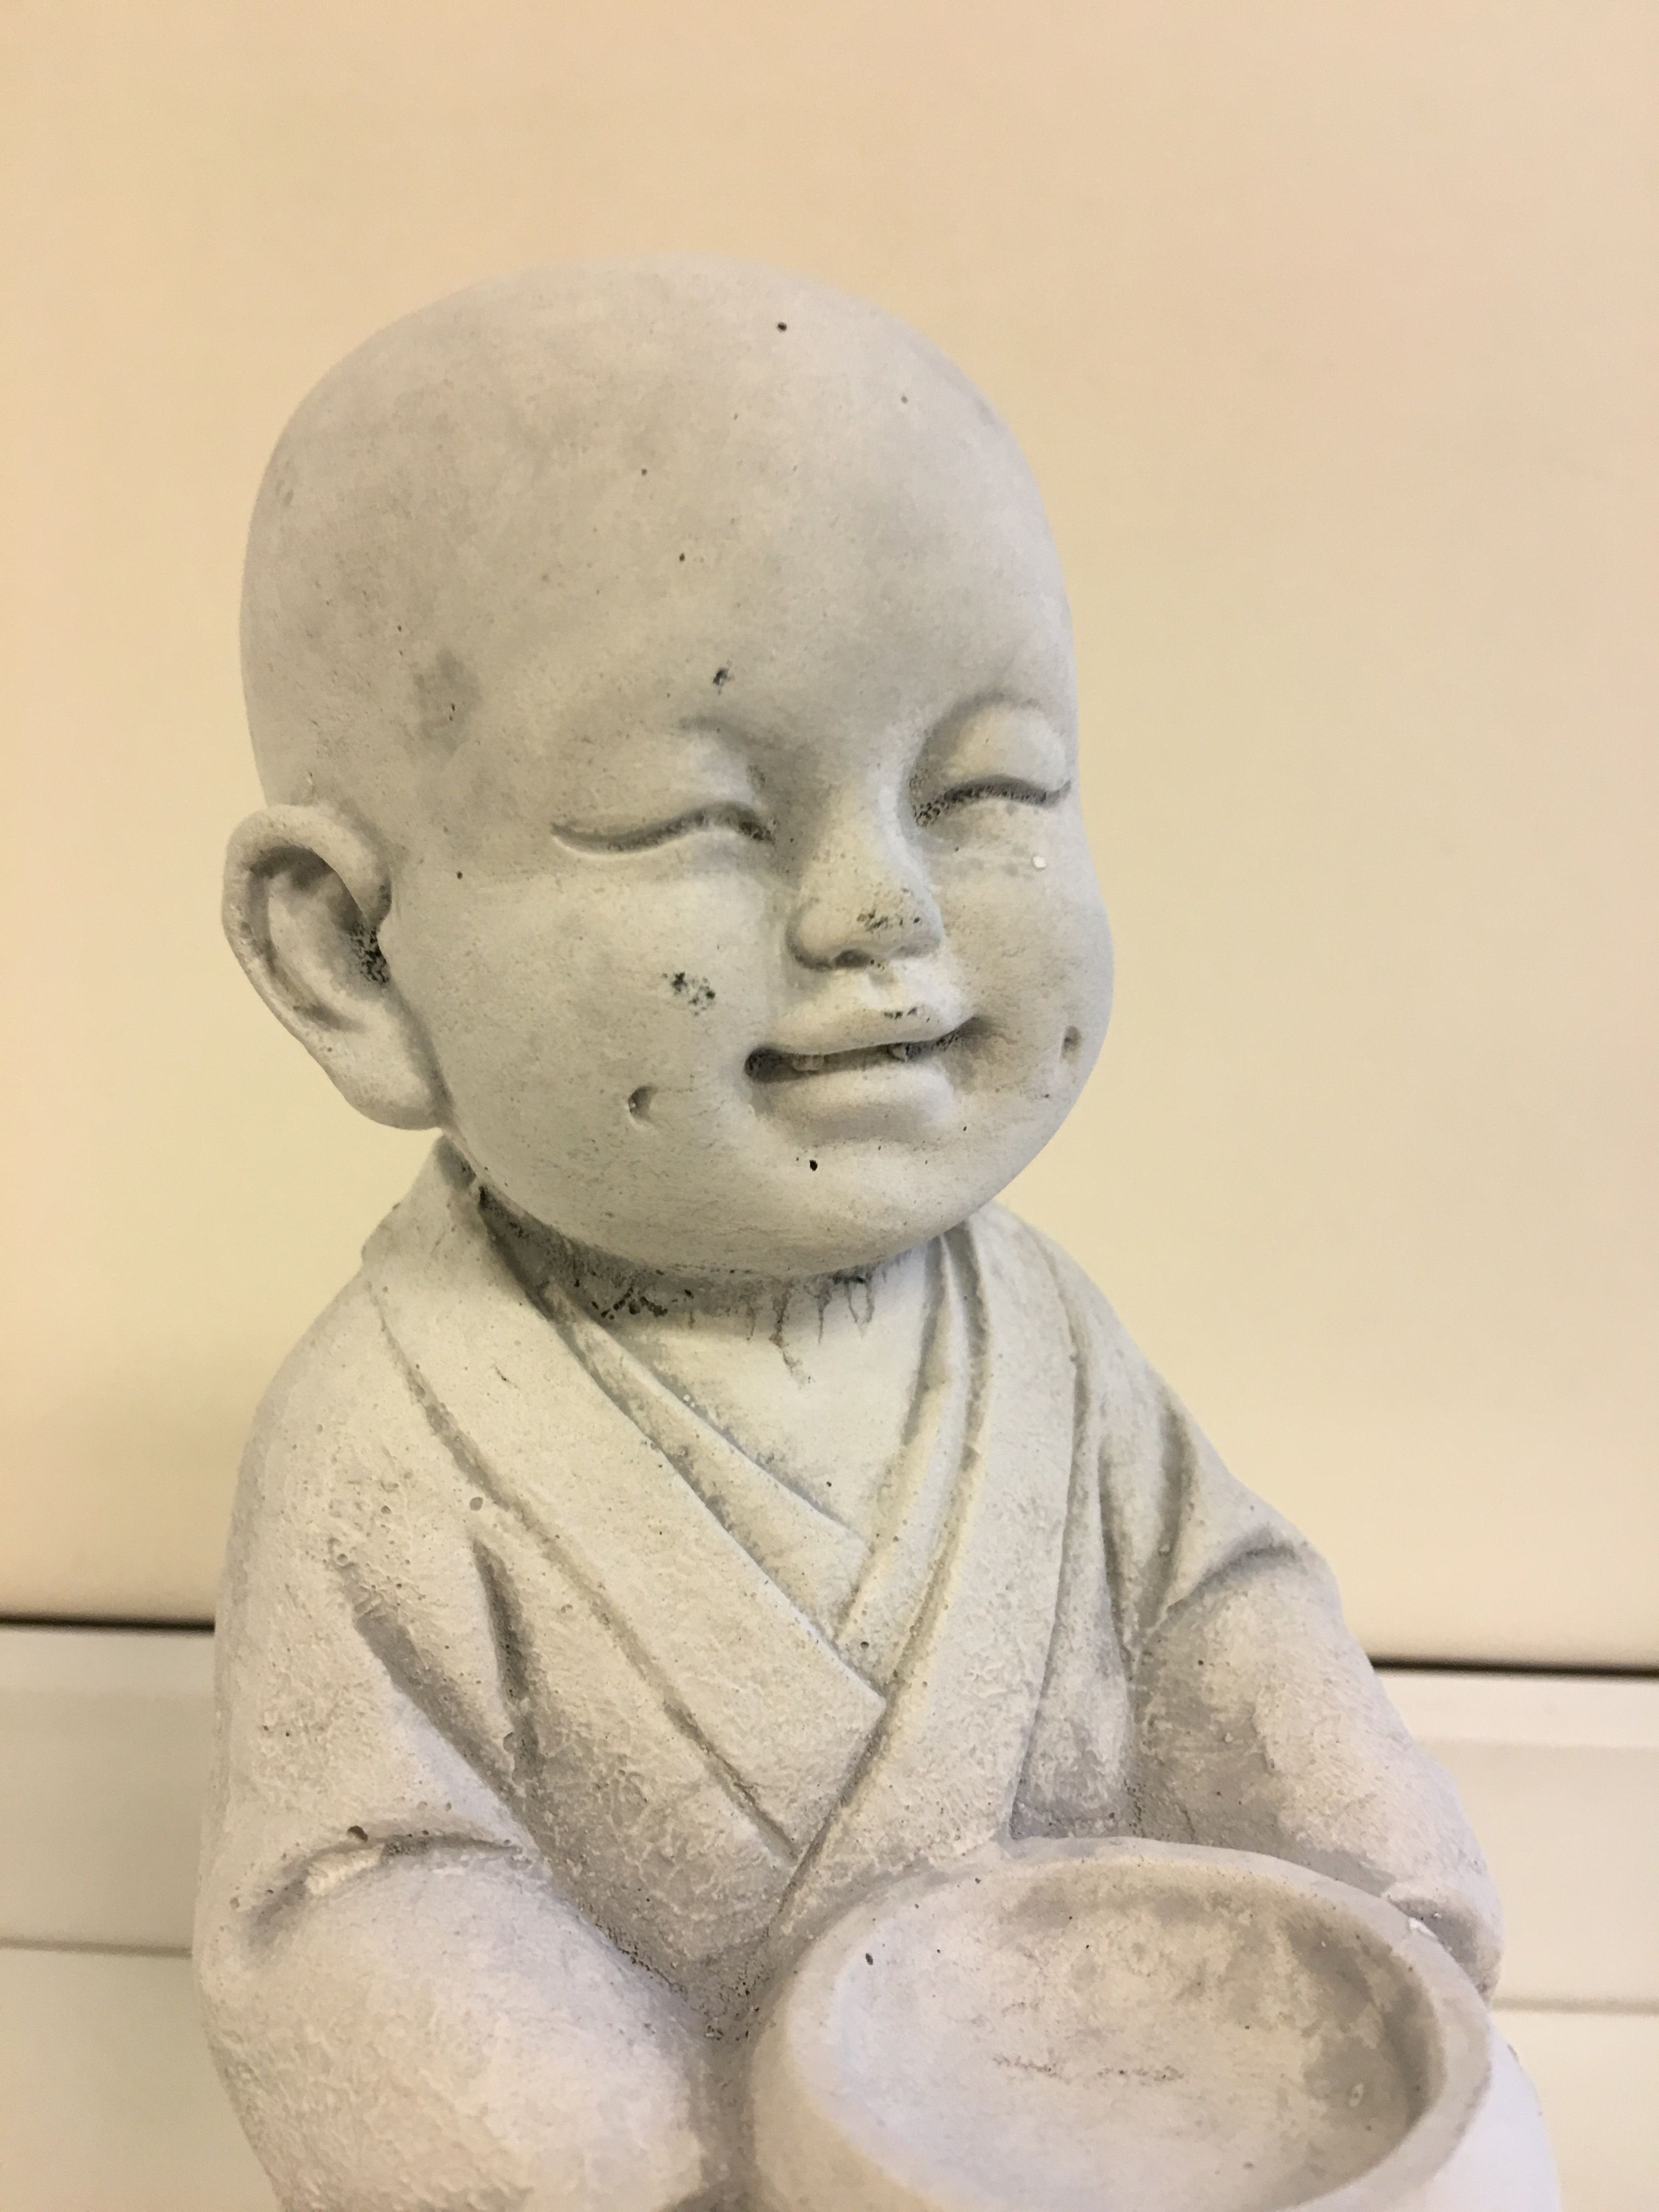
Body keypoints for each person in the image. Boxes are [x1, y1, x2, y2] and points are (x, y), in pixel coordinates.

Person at [199, 257, 1500, 2212]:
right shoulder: (387, 1435)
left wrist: (1351, 1840)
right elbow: (345, 1881)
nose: (878, 908)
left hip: (1080, 2125)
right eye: (695, 818)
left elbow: (1215, 1604)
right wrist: (579, 2120)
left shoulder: (1045, 1337)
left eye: (986, 789)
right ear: (352, 956)